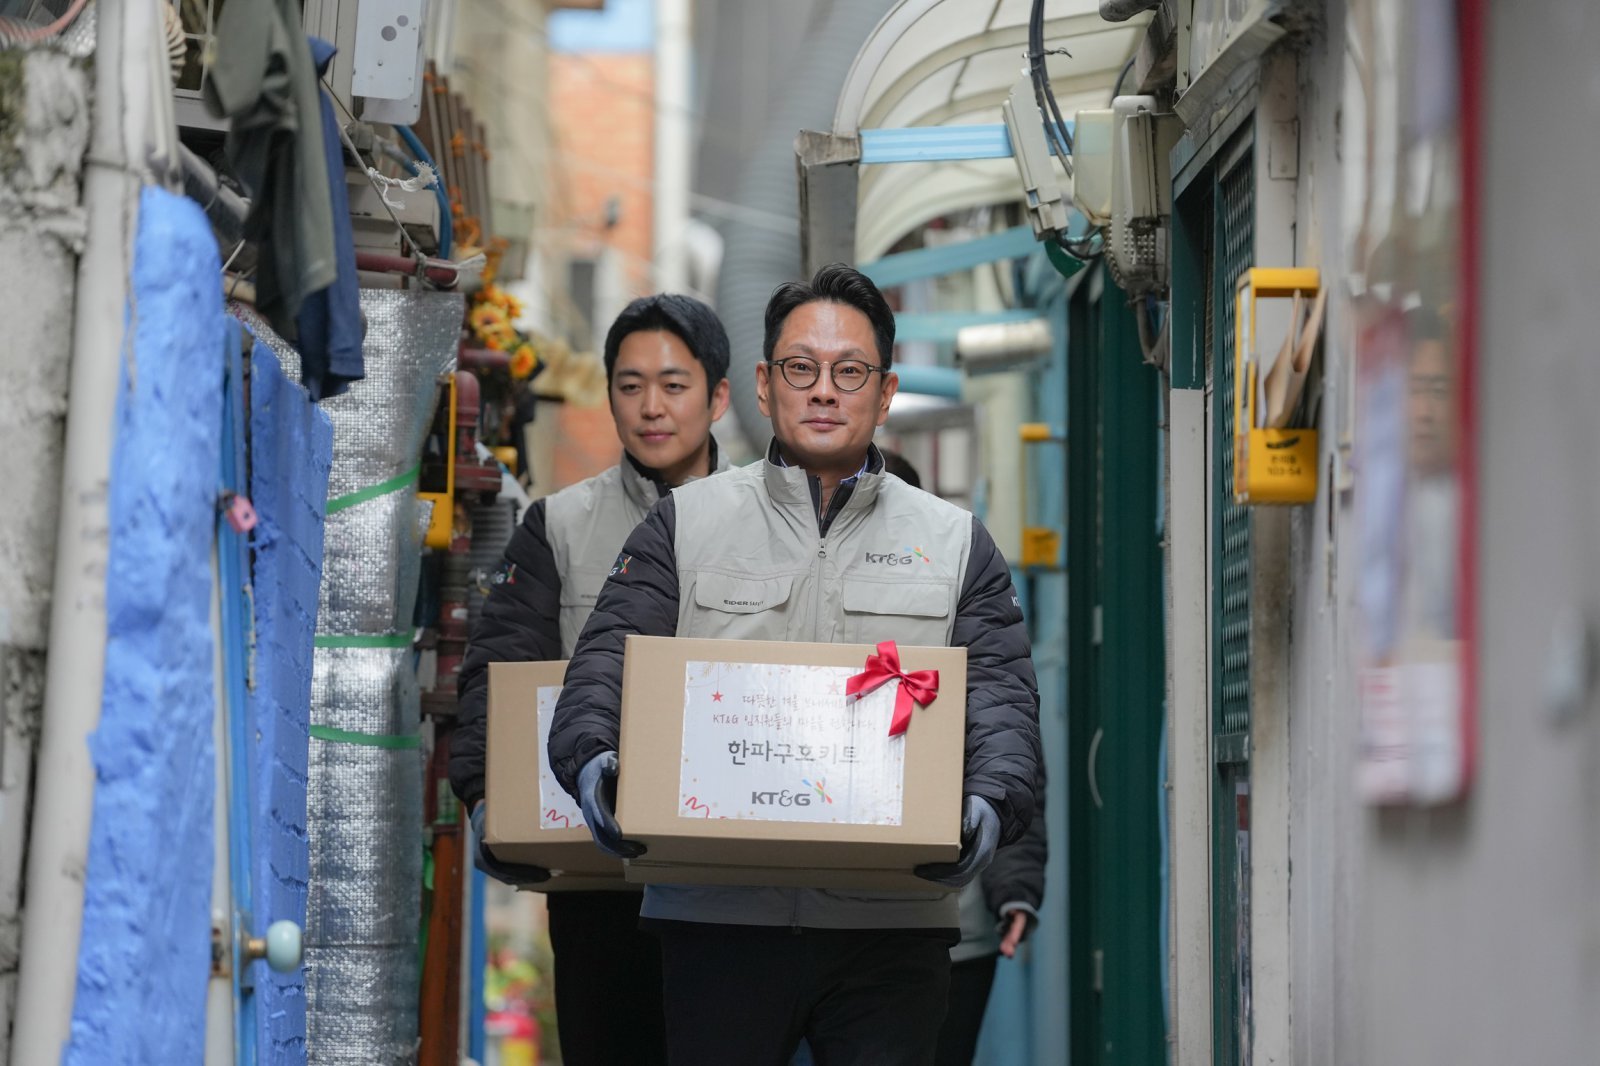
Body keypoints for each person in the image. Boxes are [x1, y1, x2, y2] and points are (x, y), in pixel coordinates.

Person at [549, 264, 1043, 1066]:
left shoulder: (955, 542)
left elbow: (1001, 696)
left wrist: (993, 799)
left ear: (884, 393)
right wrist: (592, 757)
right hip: (717, 917)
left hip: (893, 922)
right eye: (801, 368)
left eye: (849, 372)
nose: (823, 391)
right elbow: (607, 657)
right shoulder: (684, 523)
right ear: (764, 383)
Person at [449, 293, 732, 1066]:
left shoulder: (770, 521)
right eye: (630, 385)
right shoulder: (560, 524)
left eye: (673, 385)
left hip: (735, 886)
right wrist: (485, 798)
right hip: (600, 880)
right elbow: (498, 671)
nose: (651, 407)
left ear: (718, 397)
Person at [872, 452, 1050, 1066]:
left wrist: (1016, 891)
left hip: (955, 924)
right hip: (828, 921)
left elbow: (1016, 766)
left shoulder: (966, 608)